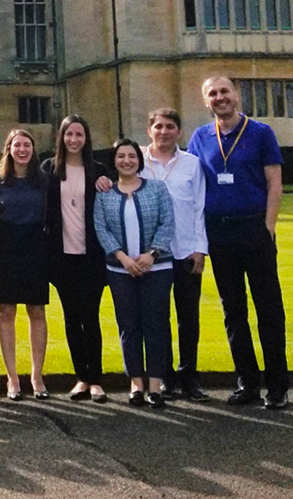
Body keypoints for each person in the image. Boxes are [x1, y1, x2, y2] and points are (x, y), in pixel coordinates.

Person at [186, 75, 290, 409]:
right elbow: (186, 182)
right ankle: (247, 383)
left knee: (268, 308)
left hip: (253, 229)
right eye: (212, 93)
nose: (220, 97)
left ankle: (277, 386)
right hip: (219, 233)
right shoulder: (200, 137)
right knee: (233, 310)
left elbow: (275, 184)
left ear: (236, 95)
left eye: (224, 91)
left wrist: (268, 227)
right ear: (206, 101)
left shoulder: (261, 133)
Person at [95, 137, 176, 409]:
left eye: (131, 156)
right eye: (121, 156)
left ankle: (155, 385)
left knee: (155, 324)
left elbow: (167, 223)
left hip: (157, 267)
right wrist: (122, 257)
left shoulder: (157, 189)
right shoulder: (104, 193)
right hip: (119, 270)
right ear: (114, 161)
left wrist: (151, 254)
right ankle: (136, 383)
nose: (126, 160)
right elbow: (101, 229)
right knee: (129, 326)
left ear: (138, 161)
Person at [40, 115, 111, 403]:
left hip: (91, 256)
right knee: (71, 318)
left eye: (79, 134)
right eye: (69, 134)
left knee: (90, 318)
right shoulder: (49, 169)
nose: (73, 140)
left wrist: (110, 181)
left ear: (86, 138)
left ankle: (96, 380)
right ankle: (81, 377)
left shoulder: (99, 171)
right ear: (62, 137)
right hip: (61, 257)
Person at [140, 107, 209, 401]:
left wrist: (200, 249)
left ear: (179, 132)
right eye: (158, 126)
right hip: (151, 255)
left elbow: (199, 208)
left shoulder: (192, 164)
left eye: (170, 127)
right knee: (157, 318)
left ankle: (190, 378)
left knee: (188, 318)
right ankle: (163, 377)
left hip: (184, 251)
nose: (164, 132)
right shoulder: (137, 161)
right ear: (149, 131)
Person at [0, 128, 49, 401]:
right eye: (17, 145)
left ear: (33, 150)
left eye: (27, 145)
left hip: (36, 242)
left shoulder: (44, 179)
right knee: (6, 310)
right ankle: (12, 377)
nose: (22, 150)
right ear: (9, 149)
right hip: (6, 243)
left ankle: (36, 375)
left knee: (37, 310)